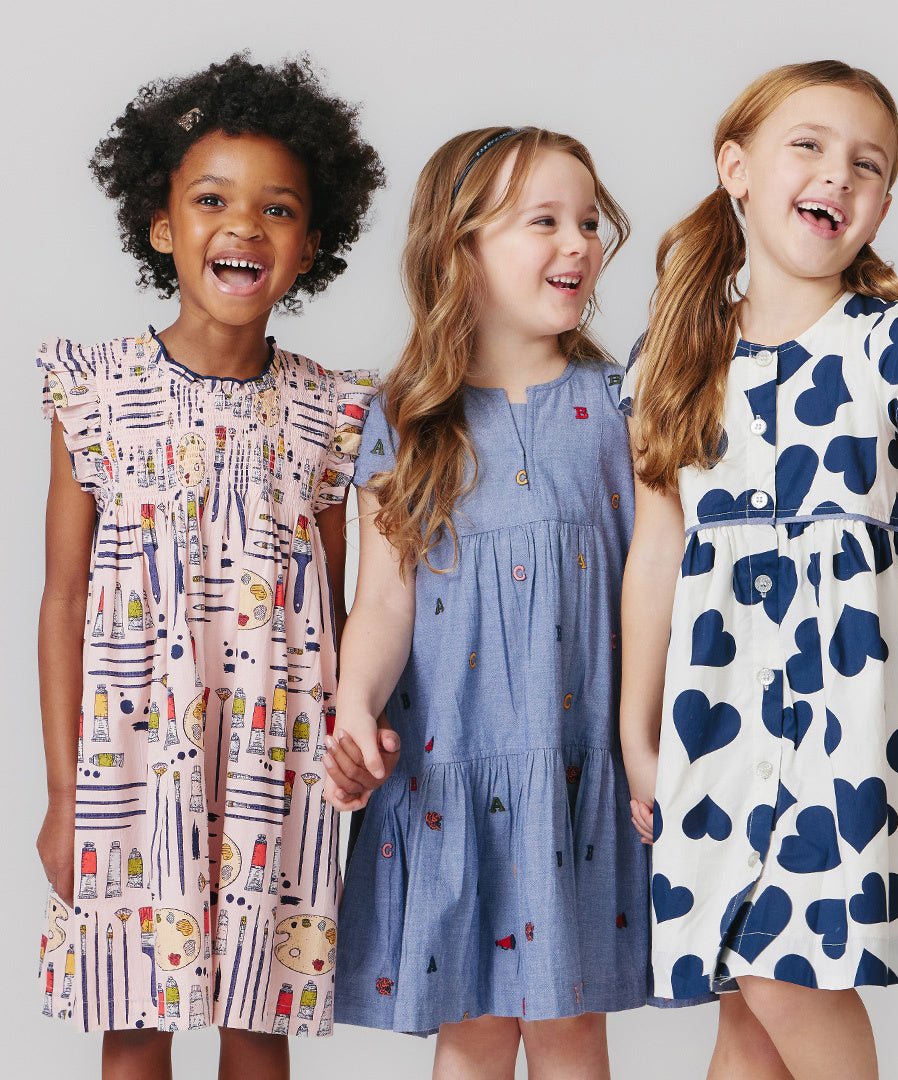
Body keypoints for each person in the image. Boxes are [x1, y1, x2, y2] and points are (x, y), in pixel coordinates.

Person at [618, 60, 898, 1080]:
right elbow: (655, 554)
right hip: (719, 721)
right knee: (746, 1001)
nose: (839, 173)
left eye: (869, 164)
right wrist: (635, 732)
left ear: (882, 206)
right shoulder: (669, 361)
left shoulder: (894, 339)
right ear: (736, 168)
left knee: (781, 974)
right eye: (810, 145)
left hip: (847, 709)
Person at [34, 53, 383, 1079]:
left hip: (279, 760)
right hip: (129, 767)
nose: (245, 227)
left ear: (311, 245)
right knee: (134, 1020)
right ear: (161, 225)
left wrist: (353, 735)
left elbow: (339, 605)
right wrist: (62, 793)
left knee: (257, 1023)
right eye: (212, 200)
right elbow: (63, 597)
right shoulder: (95, 393)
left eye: (279, 209)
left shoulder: (332, 412)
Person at [325, 126, 645, 1079]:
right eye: (544, 221)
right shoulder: (405, 420)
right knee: (469, 1025)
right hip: (449, 766)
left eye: (588, 222)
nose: (579, 243)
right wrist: (354, 706)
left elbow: (658, 579)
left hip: (577, 762)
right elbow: (383, 602)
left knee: (570, 1028)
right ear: (457, 249)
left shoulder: (623, 404)